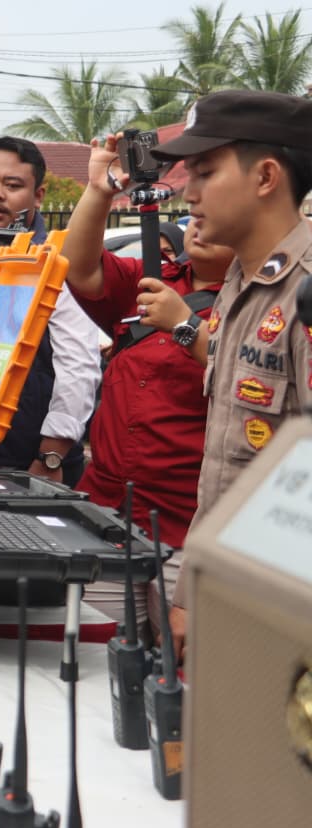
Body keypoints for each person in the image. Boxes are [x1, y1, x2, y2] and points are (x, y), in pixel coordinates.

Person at [148, 90, 312, 662]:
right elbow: (226, 463)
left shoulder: (304, 291)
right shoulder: (242, 285)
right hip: (230, 589)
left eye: (205, 172)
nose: (187, 193)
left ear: (266, 176)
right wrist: (195, 591)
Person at [62, 134, 234, 630]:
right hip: (110, 511)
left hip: (189, 526)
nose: (197, 222)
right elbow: (80, 269)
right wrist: (99, 190)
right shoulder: (159, 278)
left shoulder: (255, 301)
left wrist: (185, 327)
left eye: (209, 217)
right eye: (193, 217)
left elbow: (252, 381)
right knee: (99, 655)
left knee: (186, 675)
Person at [0, 137, 101, 486]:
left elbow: (78, 364)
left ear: (37, 196)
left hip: (25, 465)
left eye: (12, 185)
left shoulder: (54, 263)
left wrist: (50, 456)